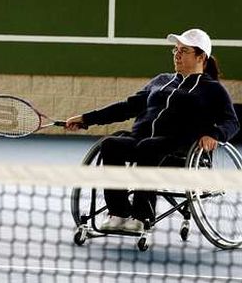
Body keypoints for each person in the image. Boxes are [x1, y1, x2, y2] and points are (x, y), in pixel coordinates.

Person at [65, 28, 239, 233]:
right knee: (111, 143)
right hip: (141, 140)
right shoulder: (161, 80)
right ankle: (118, 213)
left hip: (178, 149)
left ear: (201, 57)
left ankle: (141, 217)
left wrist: (215, 135)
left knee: (149, 146)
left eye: (184, 50)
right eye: (175, 50)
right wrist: (86, 118)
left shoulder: (213, 89)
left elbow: (231, 121)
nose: (177, 55)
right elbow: (127, 107)